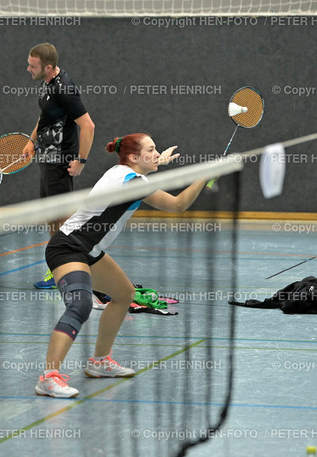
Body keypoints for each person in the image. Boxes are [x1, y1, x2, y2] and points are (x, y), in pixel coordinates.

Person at [34, 133, 201, 398]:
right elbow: (178, 205)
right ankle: (49, 377)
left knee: (124, 295)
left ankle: (99, 362)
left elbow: (139, 174)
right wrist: (206, 175)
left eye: (156, 149)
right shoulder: (132, 182)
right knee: (80, 305)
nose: (157, 153)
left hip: (89, 250)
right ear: (134, 157)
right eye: (151, 150)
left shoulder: (122, 172)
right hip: (68, 247)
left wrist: (158, 161)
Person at [25, 43, 95, 290]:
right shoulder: (47, 83)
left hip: (60, 162)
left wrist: (81, 160)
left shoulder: (65, 88)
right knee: (52, 218)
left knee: (63, 220)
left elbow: (88, 126)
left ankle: (69, 271)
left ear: (48, 67)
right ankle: (59, 268)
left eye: (33, 66)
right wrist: (31, 140)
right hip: (47, 160)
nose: (28, 69)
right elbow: (46, 115)